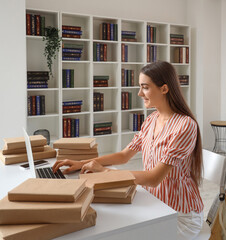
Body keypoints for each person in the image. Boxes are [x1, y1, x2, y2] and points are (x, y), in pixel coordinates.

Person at [52, 61, 204, 239]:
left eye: (145, 87)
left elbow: (154, 178)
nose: (140, 93)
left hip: (180, 215)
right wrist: (81, 163)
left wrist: (105, 173)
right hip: (155, 204)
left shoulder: (185, 126)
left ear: (164, 89)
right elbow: (125, 155)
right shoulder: (151, 120)